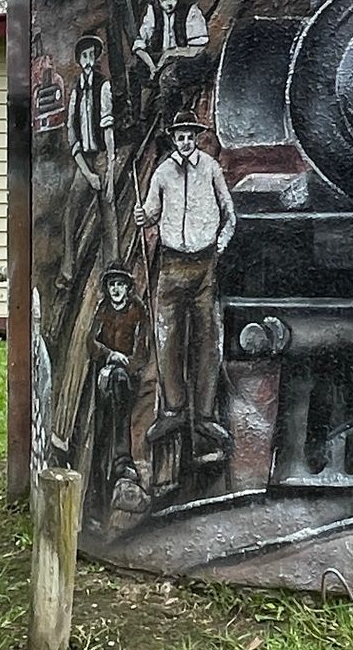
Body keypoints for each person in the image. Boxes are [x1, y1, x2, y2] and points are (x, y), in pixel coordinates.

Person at [135, 113, 235, 467]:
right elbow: (151, 210)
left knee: (208, 339)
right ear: (173, 139)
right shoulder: (163, 172)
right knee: (167, 339)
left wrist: (218, 247)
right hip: (171, 263)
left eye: (190, 135)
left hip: (204, 264)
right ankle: (175, 409)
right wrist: (143, 216)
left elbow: (229, 211)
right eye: (179, 136)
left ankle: (205, 415)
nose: (185, 141)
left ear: (197, 137)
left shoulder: (210, 168)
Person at [83, 266, 149, 517]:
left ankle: (123, 462)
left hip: (127, 378)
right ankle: (100, 482)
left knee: (121, 406)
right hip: (104, 373)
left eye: (120, 285)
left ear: (128, 288)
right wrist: (110, 356)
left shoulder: (137, 310)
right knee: (102, 424)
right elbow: (92, 341)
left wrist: (126, 364)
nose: (116, 290)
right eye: (112, 285)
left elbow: (142, 349)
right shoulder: (104, 310)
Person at [59, 36, 117, 291]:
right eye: (84, 56)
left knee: (108, 211)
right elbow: (71, 130)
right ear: (79, 60)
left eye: (92, 56)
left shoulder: (104, 87)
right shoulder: (76, 91)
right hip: (84, 158)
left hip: (102, 156)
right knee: (71, 212)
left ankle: (113, 266)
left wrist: (109, 170)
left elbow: (108, 129)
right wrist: (86, 171)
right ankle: (68, 269)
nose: (89, 61)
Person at [135, 0, 211, 118]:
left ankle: (171, 119)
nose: (168, 2)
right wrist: (152, 67)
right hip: (162, 60)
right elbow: (139, 45)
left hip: (189, 59)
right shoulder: (153, 12)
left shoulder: (190, 11)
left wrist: (170, 54)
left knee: (168, 78)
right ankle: (140, 117)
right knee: (135, 70)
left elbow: (198, 48)